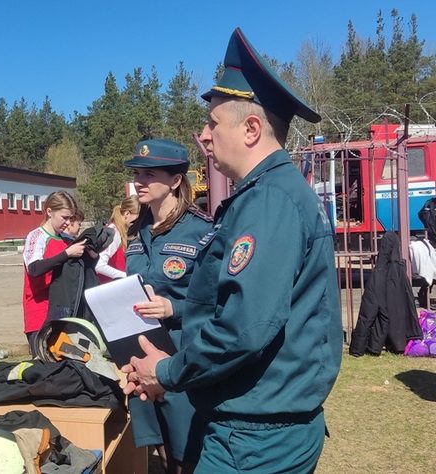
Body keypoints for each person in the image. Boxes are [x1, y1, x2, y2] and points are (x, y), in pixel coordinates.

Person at [123, 28, 343, 473]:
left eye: (212, 123)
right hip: (252, 426)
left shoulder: (269, 201)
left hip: (253, 439)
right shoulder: (270, 194)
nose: (204, 135)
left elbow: (245, 328)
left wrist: (166, 372)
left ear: (251, 128)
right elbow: (226, 305)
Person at [123, 139, 213, 473]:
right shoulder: (136, 232)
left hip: (182, 362)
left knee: (187, 457)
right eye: (137, 173)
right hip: (141, 361)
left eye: (149, 173)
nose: (139, 181)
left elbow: (220, 302)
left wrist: (173, 308)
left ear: (176, 180)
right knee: (158, 453)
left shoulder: (201, 231)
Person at [22, 191, 86, 356]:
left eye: (71, 218)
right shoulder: (37, 236)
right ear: (49, 212)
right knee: (44, 365)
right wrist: (66, 254)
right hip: (39, 313)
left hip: (62, 311)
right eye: (64, 217)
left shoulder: (65, 238)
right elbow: (34, 269)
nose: (68, 222)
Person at [95, 195, 140, 283]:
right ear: (127, 214)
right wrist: (126, 276)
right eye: (138, 218)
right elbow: (99, 265)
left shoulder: (119, 230)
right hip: (107, 287)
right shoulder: (114, 232)